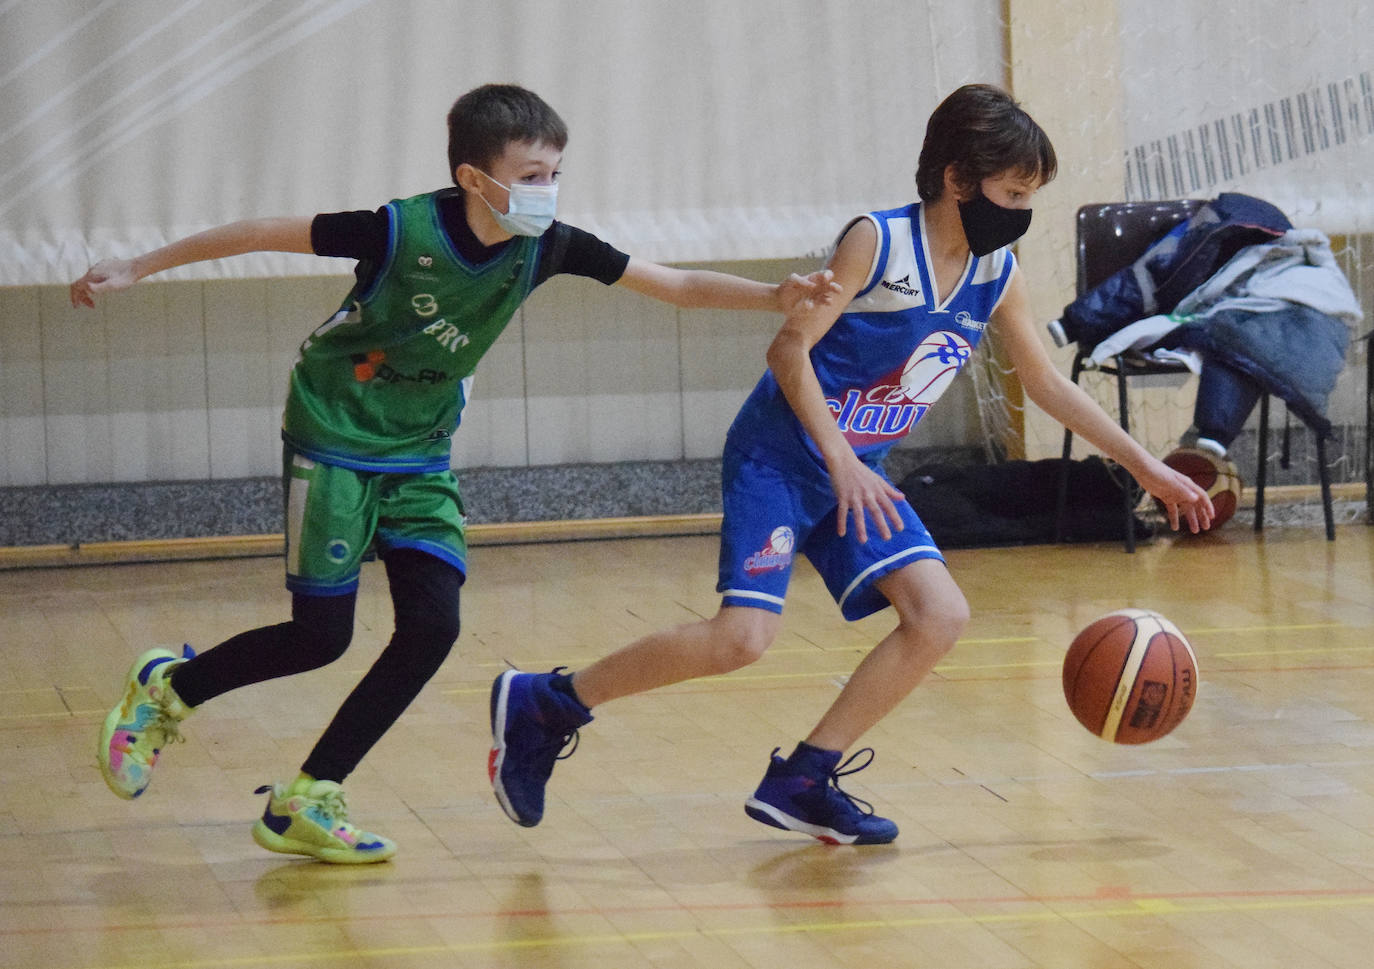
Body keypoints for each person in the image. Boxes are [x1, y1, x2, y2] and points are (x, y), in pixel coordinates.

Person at [71, 83, 837, 864]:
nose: (548, 191)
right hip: (335, 434)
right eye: (532, 175)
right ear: (476, 178)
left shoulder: (548, 245)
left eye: (556, 174)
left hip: (420, 451)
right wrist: (138, 264)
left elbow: (673, 285)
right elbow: (258, 231)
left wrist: (775, 296)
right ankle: (167, 690)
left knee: (433, 625)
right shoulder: (397, 230)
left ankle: (309, 795)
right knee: (320, 637)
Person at [487, 84, 1215, 845]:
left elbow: (1046, 384)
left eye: (1031, 194)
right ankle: (549, 701)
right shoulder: (878, 241)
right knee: (741, 638)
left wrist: (1146, 467)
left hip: (855, 466)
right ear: (957, 178)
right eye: (1013, 191)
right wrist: (839, 458)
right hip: (783, 454)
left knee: (940, 615)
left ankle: (804, 776)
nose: (1022, 208)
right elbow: (788, 348)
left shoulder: (999, 273)